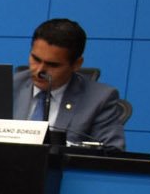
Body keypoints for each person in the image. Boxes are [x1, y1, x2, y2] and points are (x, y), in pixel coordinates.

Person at [11, 18, 126, 150]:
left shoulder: (100, 99)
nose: (39, 71)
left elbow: (113, 151)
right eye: (35, 59)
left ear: (77, 64)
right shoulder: (9, 86)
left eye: (52, 65)